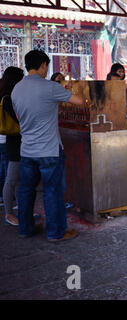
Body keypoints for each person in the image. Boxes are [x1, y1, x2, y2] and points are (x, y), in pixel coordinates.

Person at [11, 50, 83, 241]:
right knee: (52, 192)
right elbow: (80, 101)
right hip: (49, 150)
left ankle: (25, 229)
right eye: (47, 66)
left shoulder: (17, 89)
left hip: (26, 150)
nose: (47, 70)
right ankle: (55, 232)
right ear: (43, 65)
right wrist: (65, 89)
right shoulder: (50, 87)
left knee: (26, 190)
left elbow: (19, 118)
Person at [0, 67, 24, 223]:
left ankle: (21, 211)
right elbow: (19, 121)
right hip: (13, 142)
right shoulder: (8, 98)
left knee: (17, 179)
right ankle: (9, 213)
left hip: (12, 141)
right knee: (11, 178)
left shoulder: (7, 95)